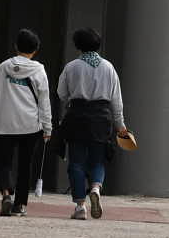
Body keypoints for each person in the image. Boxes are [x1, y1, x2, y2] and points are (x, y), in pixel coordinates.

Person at [54, 26, 129, 220]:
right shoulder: (108, 67)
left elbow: (61, 93)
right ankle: (95, 187)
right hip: (101, 118)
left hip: (77, 116)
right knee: (98, 160)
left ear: (77, 45)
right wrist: (120, 126)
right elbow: (116, 100)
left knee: (76, 162)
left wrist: (73, 97)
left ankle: (80, 206)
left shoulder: (71, 67)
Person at [0, 27, 55, 216]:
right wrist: (47, 128)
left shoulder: (3, 67)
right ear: (36, 49)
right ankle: (19, 205)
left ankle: (6, 194)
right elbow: (44, 101)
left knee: (4, 162)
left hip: (4, 123)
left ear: (16, 46)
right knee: (25, 165)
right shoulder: (39, 70)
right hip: (30, 125)